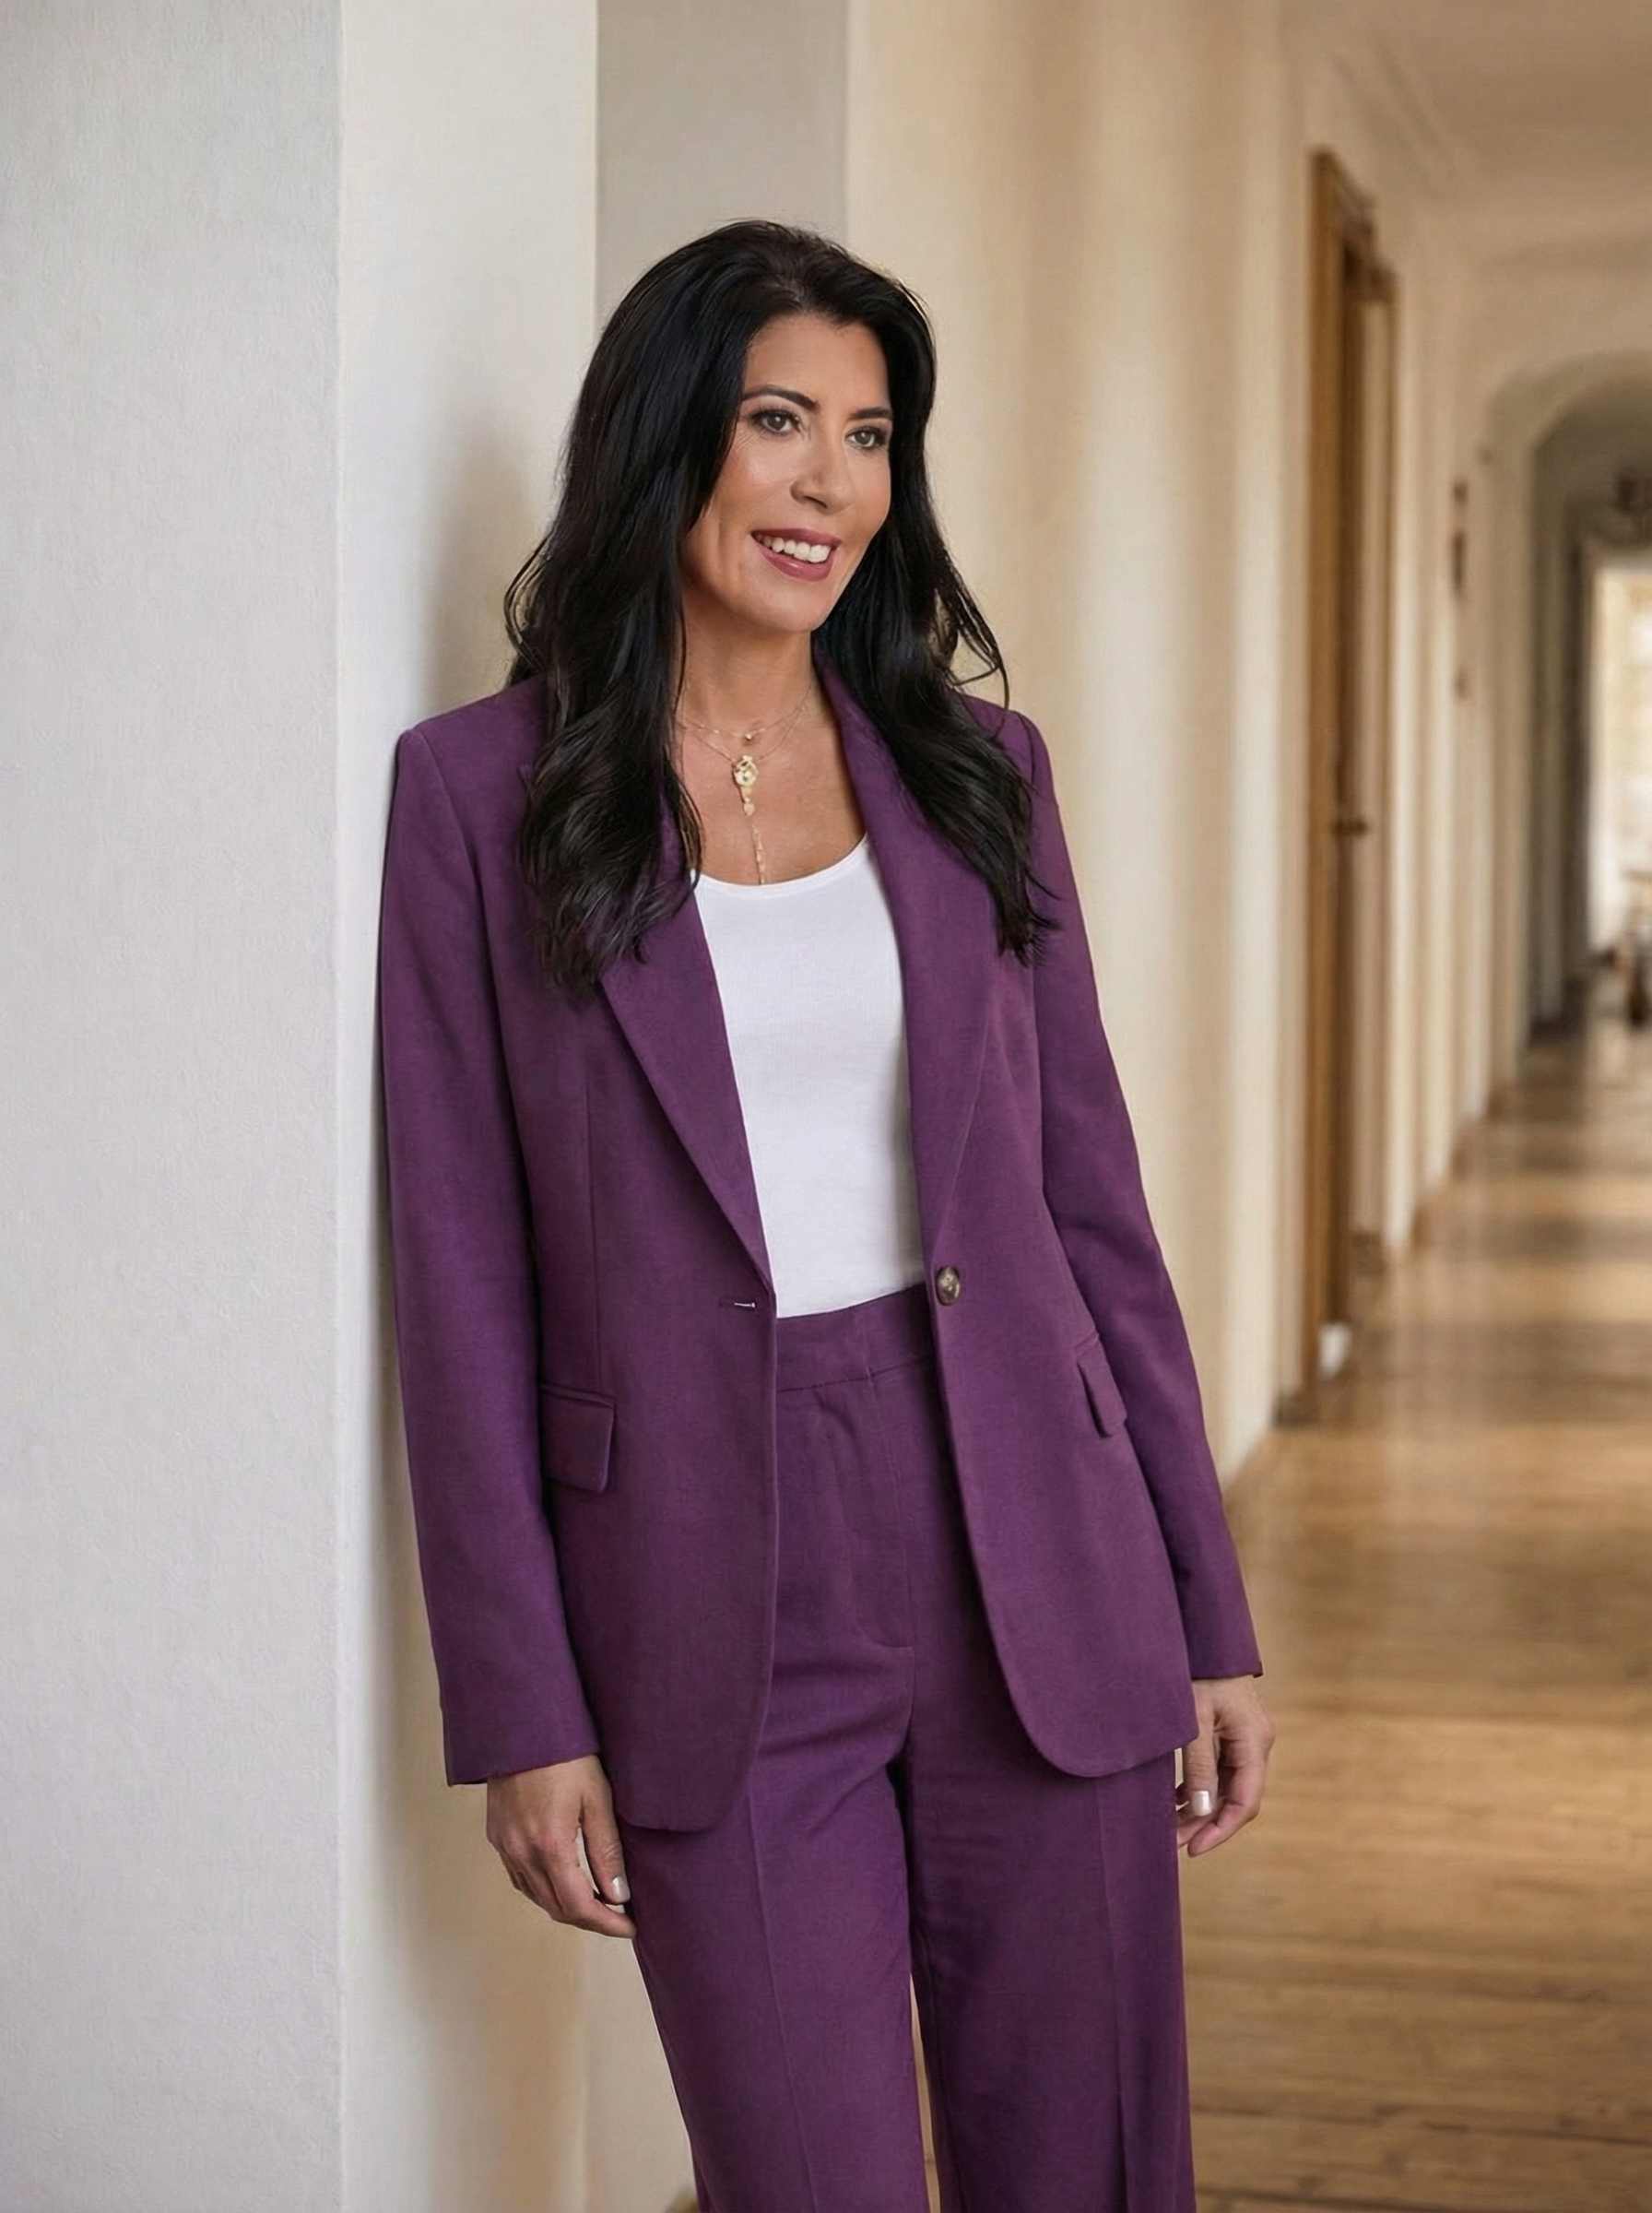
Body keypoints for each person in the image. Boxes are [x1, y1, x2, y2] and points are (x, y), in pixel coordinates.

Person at [378, 219, 1273, 2213]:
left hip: (1034, 1547)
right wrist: (519, 1709)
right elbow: (460, 1282)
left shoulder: (976, 779)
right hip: (704, 1592)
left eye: (867, 439)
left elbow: (1086, 1211)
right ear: (665, 438)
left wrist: (1204, 1612)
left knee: (1086, 2169)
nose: (826, 485)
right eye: (777, 422)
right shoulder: (479, 800)